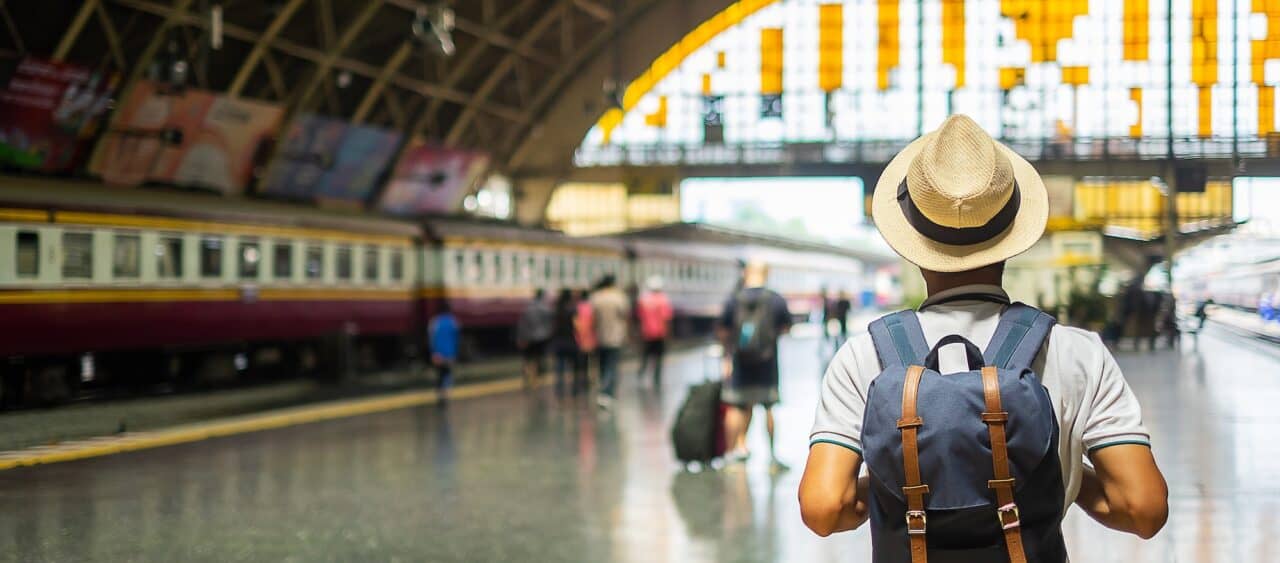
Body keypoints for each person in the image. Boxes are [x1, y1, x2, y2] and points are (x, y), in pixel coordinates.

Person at [799, 115, 1168, 554]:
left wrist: (897, 479)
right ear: (1012, 232)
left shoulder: (865, 357)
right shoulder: (1077, 352)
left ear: (912, 237)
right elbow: (1142, 508)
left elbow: (824, 507)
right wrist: (1048, 470)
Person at [719, 259, 792, 469]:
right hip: (767, 363)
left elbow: (723, 331)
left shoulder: (733, 299)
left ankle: (732, 453)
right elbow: (786, 327)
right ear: (766, 274)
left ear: (746, 273)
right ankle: (772, 456)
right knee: (769, 409)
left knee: (736, 407)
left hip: (740, 362)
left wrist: (727, 357)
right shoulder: (776, 299)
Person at [589, 274, 630, 408]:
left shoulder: (596, 297)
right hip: (615, 336)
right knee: (611, 365)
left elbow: (590, 318)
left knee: (602, 364)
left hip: (599, 336)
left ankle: (603, 390)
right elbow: (625, 316)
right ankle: (607, 393)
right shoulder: (619, 297)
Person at [635, 275, 674, 387]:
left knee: (645, 356)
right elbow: (667, 319)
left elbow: (639, 317)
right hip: (659, 334)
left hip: (646, 333)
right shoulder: (663, 300)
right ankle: (656, 379)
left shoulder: (643, 300)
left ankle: (641, 374)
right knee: (658, 357)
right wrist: (669, 334)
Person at [516, 288, 553, 389]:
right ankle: (535, 379)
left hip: (529, 337)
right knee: (538, 358)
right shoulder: (546, 308)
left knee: (528, 358)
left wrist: (521, 337)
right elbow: (549, 324)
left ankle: (528, 376)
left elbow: (522, 325)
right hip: (541, 337)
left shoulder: (528, 308)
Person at [550, 288, 581, 397]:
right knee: (574, 367)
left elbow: (552, 326)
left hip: (559, 341)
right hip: (571, 341)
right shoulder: (572, 310)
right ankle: (575, 390)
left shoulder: (556, 310)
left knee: (559, 368)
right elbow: (577, 326)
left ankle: (559, 391)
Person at [428, 302, 460, 403]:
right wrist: (455, 352)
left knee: (440, 373)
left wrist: (433, 352)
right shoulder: (453, 322)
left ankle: (440, 393)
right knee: (448, 372)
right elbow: (456, 338)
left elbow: (431, 338)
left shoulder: (434, 322)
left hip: (438, 353)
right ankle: (447, 392)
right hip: (450, 353)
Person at [574, 288, 597, 394]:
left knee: (581, 362)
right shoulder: (592, 308)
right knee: (591, 361)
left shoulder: (577, 307)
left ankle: (581, 381)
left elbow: (575, 323)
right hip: (591, 338)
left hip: (579, 338)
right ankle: (590, 379)